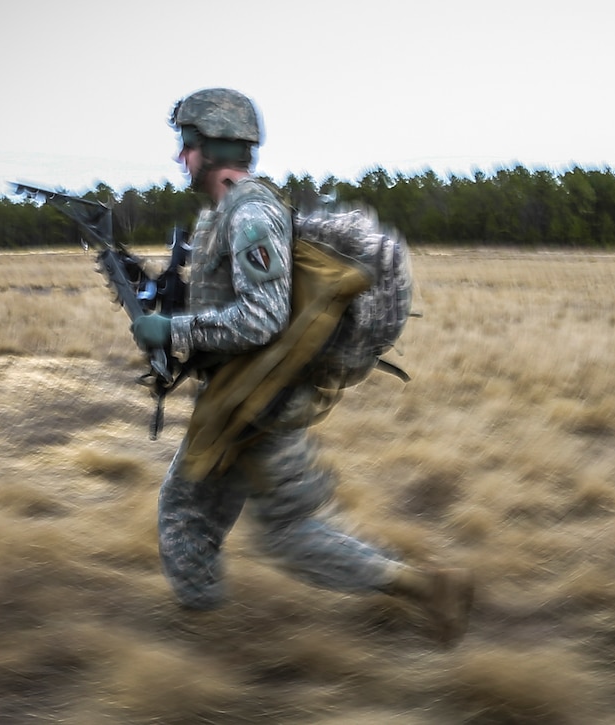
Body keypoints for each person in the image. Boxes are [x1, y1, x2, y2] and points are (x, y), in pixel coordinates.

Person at [130, 88, 473, 646]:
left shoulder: (252, 214)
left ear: (209, 147)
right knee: (193, 513)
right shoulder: (231, 213)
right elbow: (238, 305)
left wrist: (175, 330)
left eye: (184, 146)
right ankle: (202, 631)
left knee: (274, 528)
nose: (179, 159)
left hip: (263, 399)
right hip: (247, 393)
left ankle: (426, 588)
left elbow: (260, 319)